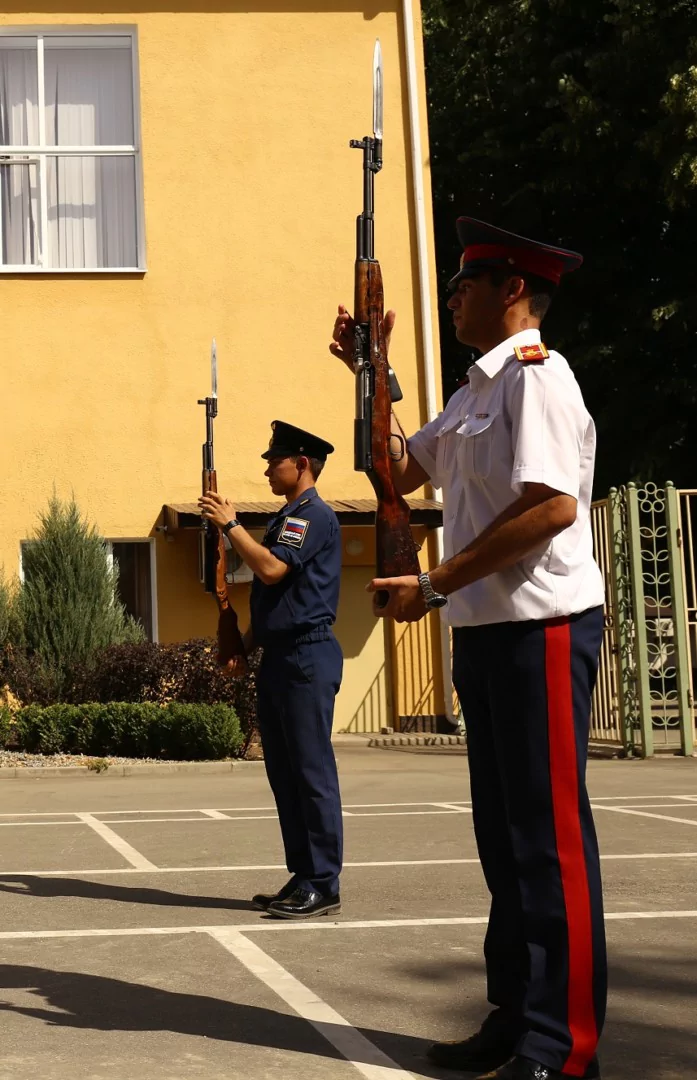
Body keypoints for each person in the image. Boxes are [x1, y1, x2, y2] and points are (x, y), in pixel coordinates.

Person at [330, 218, 606, 1080]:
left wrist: (436, 581)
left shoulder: (538, 380)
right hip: (488, 629)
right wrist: (369, 371)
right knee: (503, 836)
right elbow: (398, 471)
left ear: (511, 291)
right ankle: (516, 1017)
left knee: (547, 840)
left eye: (464, 285)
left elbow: (551, 508)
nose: (451, 298)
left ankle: (564, 1047)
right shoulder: (474, 392)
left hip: (541, 626)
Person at [199, 419, 344, 920]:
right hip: (280, 655)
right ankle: (304, 874)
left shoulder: (312, 515)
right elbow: (272, 599)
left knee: (310, 772)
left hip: (307, 654)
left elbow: (272, 570)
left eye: (274, 460)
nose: (266, 468)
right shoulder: (285, 518)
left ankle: (323, 882)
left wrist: (230, 524)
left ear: (301, 463)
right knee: (284, 774)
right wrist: (240, 643)